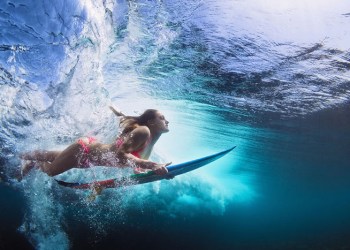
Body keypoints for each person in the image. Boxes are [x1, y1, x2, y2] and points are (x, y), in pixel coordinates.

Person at [20, 107, 171, 177]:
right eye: (162, 118)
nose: (167, 121)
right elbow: (120, 155)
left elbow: (136, 165)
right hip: (83, 151)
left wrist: (156, 171)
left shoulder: (150, 143)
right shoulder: (143, 131)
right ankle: (32, 162)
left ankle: (23, 155)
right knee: (51, 171)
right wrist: (152, 165)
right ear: (151, 122)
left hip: (88, 160)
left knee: (50, 156)